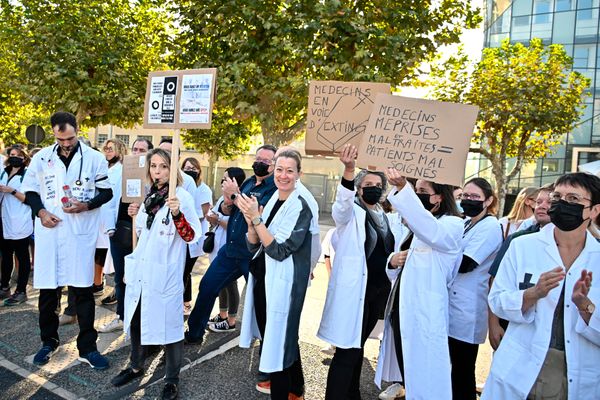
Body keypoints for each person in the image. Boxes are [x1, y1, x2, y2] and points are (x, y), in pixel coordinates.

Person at [483, 172, 600, 399]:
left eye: (574, 199)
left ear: (594, 210)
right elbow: (497, 300)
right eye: (557, 196)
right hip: (520, 365)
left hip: (573, 371)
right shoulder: (522, 246)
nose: (562, 203)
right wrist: (531, 294)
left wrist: (584, 306)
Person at [22, 111, 113, 369]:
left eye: (70, 138)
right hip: (50, 233)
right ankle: (48, 342)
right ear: (54, 133)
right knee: (48, 294)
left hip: (79, 234)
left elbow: (106, 193)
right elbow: (30, 192)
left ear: (77, 130)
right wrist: (40, 212)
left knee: (82, 292)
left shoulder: (94, 158)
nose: (66, 144)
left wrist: (85, 205)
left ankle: (88, 348)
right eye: (61, 139)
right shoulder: (41, 158)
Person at [111, 148, 200, 400]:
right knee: (138, 317)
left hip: (166, 273)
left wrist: (177, 213)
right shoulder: (148, 196)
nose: (158, 171)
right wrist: (134, 215)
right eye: (154, 166)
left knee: (170, 329)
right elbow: (141, 232)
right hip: (143, 271)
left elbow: (192, 236)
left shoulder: (180, 197)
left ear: (173, 170)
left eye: (163, 166)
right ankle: (136, 365)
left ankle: (171, 379)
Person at [374, 168, 464, 399]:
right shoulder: (415, 227)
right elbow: (404, 267)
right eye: (416, 190)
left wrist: (404, 189)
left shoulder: (452, 224)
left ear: (439, 197)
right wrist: (391, 263)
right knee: (409, 371)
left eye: (423, 191)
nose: (418, 194)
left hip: (425, 313)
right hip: (401, 309)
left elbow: (431, 232)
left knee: (425, 376)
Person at [318, 144, 395, 400]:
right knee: (347, 351)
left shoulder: (384, 215)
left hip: (377, 293)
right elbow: (340, 207)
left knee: (358, 346)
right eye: (367, 185)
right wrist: (349, 170)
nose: (373, 189)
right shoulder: (351, 213)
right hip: (356, 293)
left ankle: (352, 394)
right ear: (359, 190)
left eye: (377, 185)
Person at [237, 149, 313, 400]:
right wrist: (251, 224)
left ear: (299, 174)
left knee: (279, 347)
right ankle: (294, 391)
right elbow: (254, 244)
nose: (283, 175)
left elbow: (280, 251)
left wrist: (257, 220)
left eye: (290, 170)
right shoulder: (273, 201)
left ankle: (288, 393)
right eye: (279, 169)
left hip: (283, 286)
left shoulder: (301, 206)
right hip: (263, 282)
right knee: (273, 342)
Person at [185, 145, 278, 345]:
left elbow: (257, 215)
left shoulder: (274, 188)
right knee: (207, 286)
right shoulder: (249, 183)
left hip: (252, 254)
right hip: (230, 250)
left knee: (260, 301)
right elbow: (231, 212)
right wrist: (228, 202)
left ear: (274, 165)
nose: (259, 163)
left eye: (266, 161)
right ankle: (194, 333)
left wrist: (234, 196)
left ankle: (267, 344)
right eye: (258, 158)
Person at [448, 177, 503, 400]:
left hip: (467, 310)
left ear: (488, 200)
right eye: (465, 196)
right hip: (453, 305)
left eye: (475, 197)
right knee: (451, 370)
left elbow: (466, 264)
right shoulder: (465, 222)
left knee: (462, 372)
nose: (468, 201)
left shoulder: (490, 227)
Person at [487, 184, 554, 350]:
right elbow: (494, 282)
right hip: (511, 325)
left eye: (550, 202)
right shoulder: (517, 240)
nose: (542, 206)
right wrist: (493, 324)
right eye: (538, 202)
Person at [98, 138, 153, 333]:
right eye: (135, 149)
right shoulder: (122, 172)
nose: (137, 152)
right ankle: (121, 316)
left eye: (142, 149)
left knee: (143, 279)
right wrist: (110, 228)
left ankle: (141, 320)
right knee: (121, 277)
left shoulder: (154, 177)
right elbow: (110, 200)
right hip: (120, 231)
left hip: (143, 236)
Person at [206, 167, 246, 332]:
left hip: (229, 247)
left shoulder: (240, 200)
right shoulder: (222, 198)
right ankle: (222, 315)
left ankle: (231, 320)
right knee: (220, 283)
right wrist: (212, 218)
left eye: (226, 179)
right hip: (218, 246)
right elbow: (215, 214)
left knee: (230, 284)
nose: (223, 182)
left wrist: (217, 221)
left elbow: (236, 226)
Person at [0, 145, 33, 305]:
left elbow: (29, 199)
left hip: (20, 220)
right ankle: (4, 286)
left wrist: (11, 190)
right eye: (11, 154)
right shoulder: (4, 172)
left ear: (24, 158)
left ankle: (21, 291)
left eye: (18, 155)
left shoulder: (27, 175)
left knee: (22, 257)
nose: (14, 157)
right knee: (5, 256)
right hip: (4, 219)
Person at [181, 156, 212, 316]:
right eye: (186, 168)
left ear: (199, 170)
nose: (190, 171)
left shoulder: (204, 189)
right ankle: (183, 301)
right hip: (181, 234)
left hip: (195, 235)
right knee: (181, 270)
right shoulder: (182, 185)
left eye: (193, 168)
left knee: (185, 270)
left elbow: (204, 214)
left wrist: (185, 217)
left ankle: (185, 304)